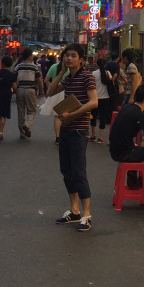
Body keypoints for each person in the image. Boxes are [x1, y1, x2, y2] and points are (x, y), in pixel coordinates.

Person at [46, 44, 98, 232]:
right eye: (66, 56)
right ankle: (74, 211)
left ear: (82, 59)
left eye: (73, 56)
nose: (69, 59)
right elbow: (50, 92)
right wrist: (61, 73)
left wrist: (72, 113)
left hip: (78, 131)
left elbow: (93, 102)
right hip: (66, 130)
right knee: (66, 171)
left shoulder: (87, 77)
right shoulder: (68, 79)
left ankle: (86, 214)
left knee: (79, 172)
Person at [15, 47, 42, 139]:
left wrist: (15, 89)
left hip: (20, 90)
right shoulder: (34, 66)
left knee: (21, 112)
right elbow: (39, 80)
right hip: (30, 90)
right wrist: (42, 91)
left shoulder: (18, 66)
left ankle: (22, 133)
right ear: (30, 56)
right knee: (32, 110)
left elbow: (14, 79)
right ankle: (27, 125)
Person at [90, 58, 113, 144]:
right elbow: (111, 84)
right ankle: (100, 137)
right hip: (105, 98)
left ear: (97, 64)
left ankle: (93, 135)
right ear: (105, 64)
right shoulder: (108, 73)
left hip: (95, 98)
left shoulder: (94, 73)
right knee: (103, 117)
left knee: (93, 116)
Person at [45, 50, 66, 144]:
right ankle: (66, 136)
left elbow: (46, 80)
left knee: (57, 117)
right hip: (68, 94)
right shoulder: (71, 68)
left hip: (56, 94)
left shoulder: (54, 66)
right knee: (68, 115)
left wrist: (52, 88)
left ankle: (58, 137)